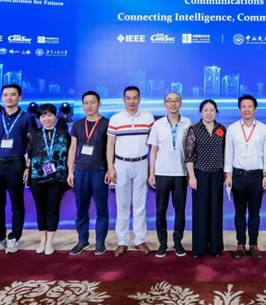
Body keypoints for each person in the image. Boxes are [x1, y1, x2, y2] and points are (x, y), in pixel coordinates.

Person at [0, 83, 37, 255]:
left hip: (16, 164)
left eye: (13, 94)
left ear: (20, 97)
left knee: (16, 203)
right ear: (1, 97)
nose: (9, 98)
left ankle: (14, 237)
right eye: (5, 95)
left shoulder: (27, 118)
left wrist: (28, 166)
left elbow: (31, 144)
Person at [107, 86, 154, 257]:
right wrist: (110, 167)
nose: (132, 101)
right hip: (121, 165)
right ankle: (122, 242)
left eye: (135, 98)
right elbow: (110, 144)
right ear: (124, 100)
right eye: (128, 98)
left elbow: (154, 145)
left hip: (141, 163)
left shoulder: (148, 117)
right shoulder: (116, 119)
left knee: (140, 206)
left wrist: (152, 170)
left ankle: (140, 240)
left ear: (139, 99)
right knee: (122, 205)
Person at [224, 94, 266, 259]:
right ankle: (240, 244)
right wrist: (228, 175)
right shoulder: (232, 129)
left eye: (249, 106)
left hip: (256, 177)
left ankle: (253, 244)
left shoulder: (263, 129)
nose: (246, 109)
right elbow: (228, 153)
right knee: (239, 212)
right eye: (243, 107)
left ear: (255, 109)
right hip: (238, 175)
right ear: (239, 109)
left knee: (254, 212)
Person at [67, 91, 112, 256]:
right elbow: (73, 148)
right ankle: (83, 240)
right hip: (80, 171)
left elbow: (111, 148)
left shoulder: (107, 123)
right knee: (81, 208)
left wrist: (110, 168)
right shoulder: (78, 125)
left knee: (102, 208)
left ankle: (100, 241)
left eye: (92, 102)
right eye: (86, 103)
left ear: (99, 103)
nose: (89, 106)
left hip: (99, 171)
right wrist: (70, 171)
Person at [148, 92, 192, 257]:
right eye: (169, 101)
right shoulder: (158, 124)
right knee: (161, 210)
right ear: (164, 104)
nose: (173, 103)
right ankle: (162, 243)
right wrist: (151, 173)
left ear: (181, 103)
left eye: (176, 100)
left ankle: (178, 242)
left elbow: (190, 150)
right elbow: (153, 150)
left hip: (181, 173)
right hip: (162, 173)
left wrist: (190, 173)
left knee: (180, 210)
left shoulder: (187, 123)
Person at [27, 103, 71, 255]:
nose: (46, 118)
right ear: (39, 118)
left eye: (50, 115)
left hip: (57, 178)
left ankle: (50, 242)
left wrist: (70, 172)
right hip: (37, 177)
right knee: (41, 209)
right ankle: (42, 240)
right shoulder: (33, 134)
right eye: (43, 115)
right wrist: (26, 169)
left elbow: (69, 155)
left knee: (53, 209)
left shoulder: (64, 134)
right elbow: (29, 155)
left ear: (55, 116)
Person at [185, 99, 227, 258]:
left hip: (217, 174)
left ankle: (215, 247)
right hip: (200, 174)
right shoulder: (194, 129)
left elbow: (226, 153)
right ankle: (199, 248)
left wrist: (226, 174)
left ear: (216, 112)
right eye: (206, 110)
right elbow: (189, 155)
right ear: (201, 112)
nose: (209, 113)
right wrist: (192, 176)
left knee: (216, 210)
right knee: (200, 210)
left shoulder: (221, 129)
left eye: (212, 110)